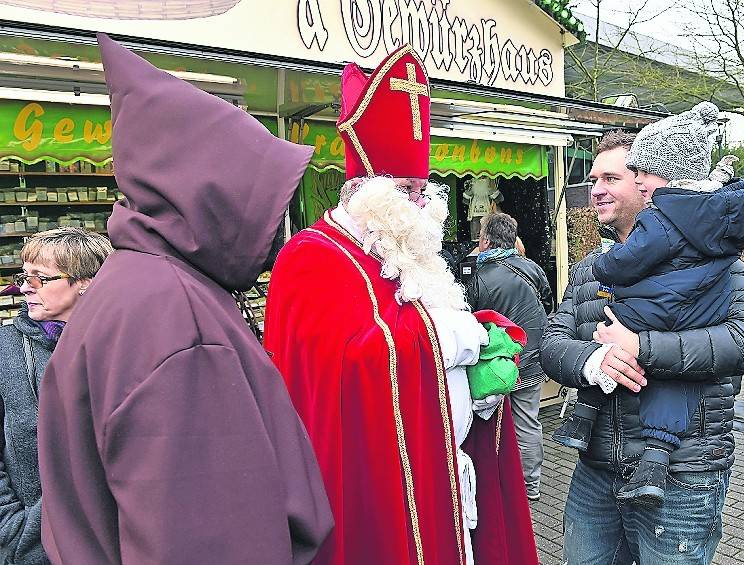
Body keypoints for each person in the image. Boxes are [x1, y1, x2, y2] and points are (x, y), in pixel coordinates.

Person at [37, 34, 333, 565]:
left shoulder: (134, 289)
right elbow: (211, 543)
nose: (277, 230)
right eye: (265, 201)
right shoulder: (177, 321)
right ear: (213, 192)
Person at [264, 45, 538, 565]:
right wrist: (451, 340)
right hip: (374, 485)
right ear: (366, 191)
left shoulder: (406, 254)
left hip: (447, 472)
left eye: (422, 188)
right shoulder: (311, 256)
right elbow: (357, 363)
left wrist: (474, 372)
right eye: (408, 189)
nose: (422, 203)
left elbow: (420, 331)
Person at [541, 128, 744, 565]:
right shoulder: (592, 268)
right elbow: (552, 343)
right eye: (593, 180)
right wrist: (593, 361)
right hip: (595, 469)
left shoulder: (715, 264)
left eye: (611, 178)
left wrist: (641, 346)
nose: (596, 191)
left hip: (684, 474)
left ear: (649, 183)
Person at [0, 228, 112, 565]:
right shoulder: (6, 349)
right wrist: (15, 531)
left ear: (85, 282)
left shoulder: (116, 348)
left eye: (42, 277)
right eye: (25, 275)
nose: (25, 287)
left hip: (112, 544)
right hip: (31, 547)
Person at [466, 213, 551, 504]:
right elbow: (547, 302)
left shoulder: (480, 277)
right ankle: (531, 485)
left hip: (497, 364)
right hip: (534, 357)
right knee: (528, 422)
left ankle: (500, 484)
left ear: (486, 240)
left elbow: (470, 321)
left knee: (491, 424)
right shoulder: (532, 267)